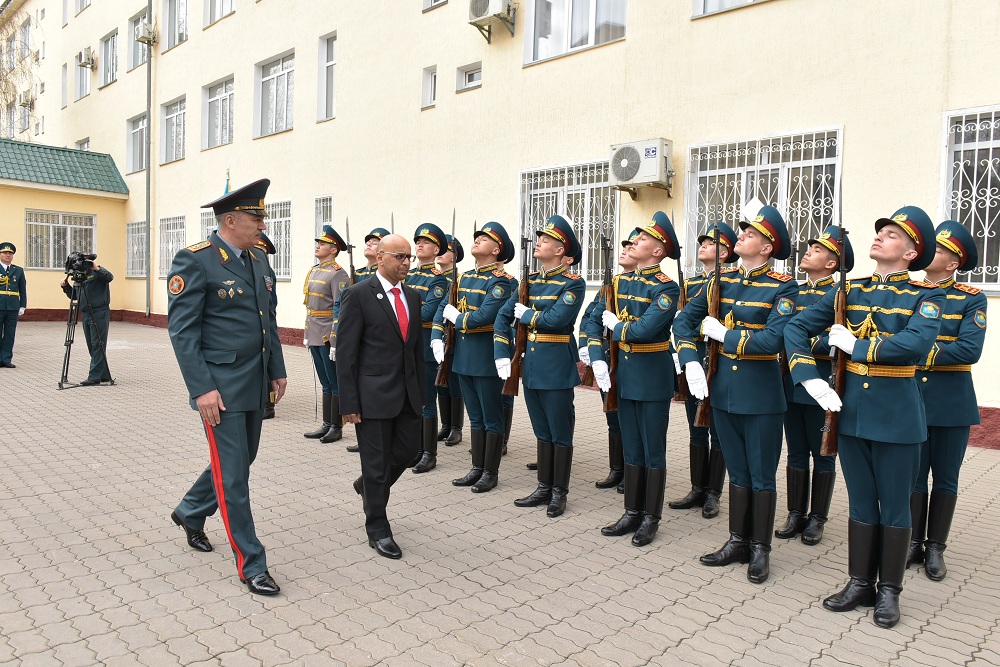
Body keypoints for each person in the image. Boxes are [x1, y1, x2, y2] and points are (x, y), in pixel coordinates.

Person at [784, 205, 944, 628]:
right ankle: (859, 583)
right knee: (860, 503)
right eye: (881, 232)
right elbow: (795, 328)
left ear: (911, 254)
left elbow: (915, 342)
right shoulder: (847, 291)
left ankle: (889, 591)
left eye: (892, 235)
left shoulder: (927, 296)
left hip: (897, 415)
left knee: (894, 505)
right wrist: (807, 377)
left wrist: (858, 347)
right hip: (849, 410)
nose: (880, 237)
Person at [167, 179, 288, 595]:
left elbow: (266, 320)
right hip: (219, 387)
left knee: (242, 458)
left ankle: (190, 510)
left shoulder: (257, 259)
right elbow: (182, 332)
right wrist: (202, 389)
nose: (263, 225)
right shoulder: (195, 260)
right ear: (231, 219)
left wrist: (277, 368)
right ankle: (252, 562)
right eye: (257, 218)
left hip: (254, 381)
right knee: (234, 475)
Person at [676, 206, 797, 583]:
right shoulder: (720, 280)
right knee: (739, 473)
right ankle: (737, 540)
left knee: (761, 475)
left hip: (760, 394)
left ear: (767, 247)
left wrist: (724, 336)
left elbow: (773, 339)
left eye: (750, 232)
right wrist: (690, 359)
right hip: (722, 390)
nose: (740, 234)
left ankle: (760, 548)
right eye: (742, 230)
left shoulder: (783, 286)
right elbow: (684, 320)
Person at [590, 211, 681, 546]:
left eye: (643, 240)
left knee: (652, 450)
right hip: (625, 376)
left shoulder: (667, 288)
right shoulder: (617, 283)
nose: (635, 243)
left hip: (652, 377)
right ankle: (631, 512)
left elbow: (645, 330)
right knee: (632, 447)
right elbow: (593, 321)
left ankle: (651, 518)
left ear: (658, 251)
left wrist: (617, 326)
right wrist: (598, 357)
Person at [337, 234, 424, 560]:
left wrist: (422, 394)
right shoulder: (358, 295)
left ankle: (368, 486)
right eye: (399, 257)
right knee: (376, 465)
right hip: (371, 396)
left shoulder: (412, 297)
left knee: (409, 451)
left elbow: (414, 350)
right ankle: (378, 528)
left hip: (407, 396)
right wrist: (349, 403)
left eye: (408, 258)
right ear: (380, 259)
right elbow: (346, 354)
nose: (405, 263)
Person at [909, 220, 986, 581]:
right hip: (910, 399)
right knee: (913, 476)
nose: (930, 254)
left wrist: (915, 350)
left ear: (954, 262)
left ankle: (935, 546)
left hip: (951, 403)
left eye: (938, 250)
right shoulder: (909, 291)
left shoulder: (972, 298)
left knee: (945, 478)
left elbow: (970, 349)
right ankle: (911, 541)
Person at [500, 215, 585, 518]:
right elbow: (503, 315)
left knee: (560, 432)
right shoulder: (530, 281)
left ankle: (559, 492)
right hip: (532, 365)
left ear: (561, 250)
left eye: (547, 240)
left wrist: (526, 316)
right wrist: (502, 350)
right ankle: (543, 487)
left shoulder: (573, 283)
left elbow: (556, 320)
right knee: (542, 431)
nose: (540, 243)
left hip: (556, 367)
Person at [775, 225, 854, 546]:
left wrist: (803, 342)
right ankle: (796, 513)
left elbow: (839, 341)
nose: (808, 252)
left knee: (822, 453)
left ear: (833, 263)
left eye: (818, 250)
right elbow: (781, 332)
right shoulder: (792, 291)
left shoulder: (839, 294)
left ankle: (817, 518)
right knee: (795, 451)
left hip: (823, 383)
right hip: (791, 382)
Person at [432, 221, 514, 493]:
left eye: (485, 238)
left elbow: (486, 316)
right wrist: (437, 333)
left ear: (497, 249)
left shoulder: (501, 281)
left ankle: (491, 472)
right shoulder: (464, 278)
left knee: (492, 417)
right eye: (477, 236)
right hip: (464, 356)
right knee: (476, 417)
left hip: (486, 356)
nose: (477, 240)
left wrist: (458, 318)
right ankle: (477, 468)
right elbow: (445, 306)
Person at [668, 222, 737, 519]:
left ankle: (714, 493)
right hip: (694, 358)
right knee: (697, 427)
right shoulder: (692, 284)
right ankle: (697, 488)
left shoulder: (733, 281)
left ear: (725, 253)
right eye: (703, 242)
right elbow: (680, 323)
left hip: (720, 359)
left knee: (719, 432)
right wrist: (680, 355)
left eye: (711, 243)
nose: (704, 246)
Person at [577, 230, 640, 491]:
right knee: (612, 417)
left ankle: (632, 472)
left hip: (631, 358)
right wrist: (585, 345)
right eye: (623, 246)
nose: (624, 250)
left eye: (631, 246)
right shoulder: (610, 285)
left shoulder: (647, 285)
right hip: (607, 358)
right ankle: (617, 469)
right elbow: (590, 315)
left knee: (630, 421)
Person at [407, 223, 450, 473]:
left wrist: (399, 313)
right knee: (411, 401)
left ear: (436, 250)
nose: (420, 245)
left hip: (423, 345)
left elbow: (428, 312)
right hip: (405, 346)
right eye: (418, 241)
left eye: (426, 242)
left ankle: (429, 453)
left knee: (426, 402)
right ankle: (415, 449)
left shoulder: (439, 279)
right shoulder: (407, 275)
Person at [303, 225, 350, 444]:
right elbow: (309, 305)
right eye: (318, 243)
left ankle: (336, 426)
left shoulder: (338, 273)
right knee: (325, 381)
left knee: (334, 381)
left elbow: (340, 307)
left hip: (327, 333)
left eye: (322, 243)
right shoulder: (314, 270)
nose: (318, 246)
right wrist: (306, 331)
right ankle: (326, 423)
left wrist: (335, 338)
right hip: (314, 331)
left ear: (333, 250)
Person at [61, 254, 114, 385]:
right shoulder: (79, 277)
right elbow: (75, 296)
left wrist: (96, 268)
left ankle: (94, 377)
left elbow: (110, 277)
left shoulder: (97, 272)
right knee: (92, 345)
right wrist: (66, 287)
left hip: (99, 312)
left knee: (98, 344)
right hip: (85, 313)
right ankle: (104, 375)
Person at [435, 234, 466, 448]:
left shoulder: (459, 279)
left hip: (455, 334)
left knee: (455, 384)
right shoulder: (435, 276)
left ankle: (456, 428)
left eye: (444, 250)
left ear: (455, 256)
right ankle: (445, 425)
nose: (440, 253)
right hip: (440, 335)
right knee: (441, 383)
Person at [255, 233, 279, 420]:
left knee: (267, 366)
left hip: (266, 319)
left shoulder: (266, 271)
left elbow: (271, 299)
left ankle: (268, 404)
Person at [0, 242, 26, 368]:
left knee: (10, 334)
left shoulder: (18, 270)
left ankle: (6, 359)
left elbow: (22, 289)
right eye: (5, 253)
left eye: (10, 253)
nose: (8, 255)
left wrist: (23, 305)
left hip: (13, 307)